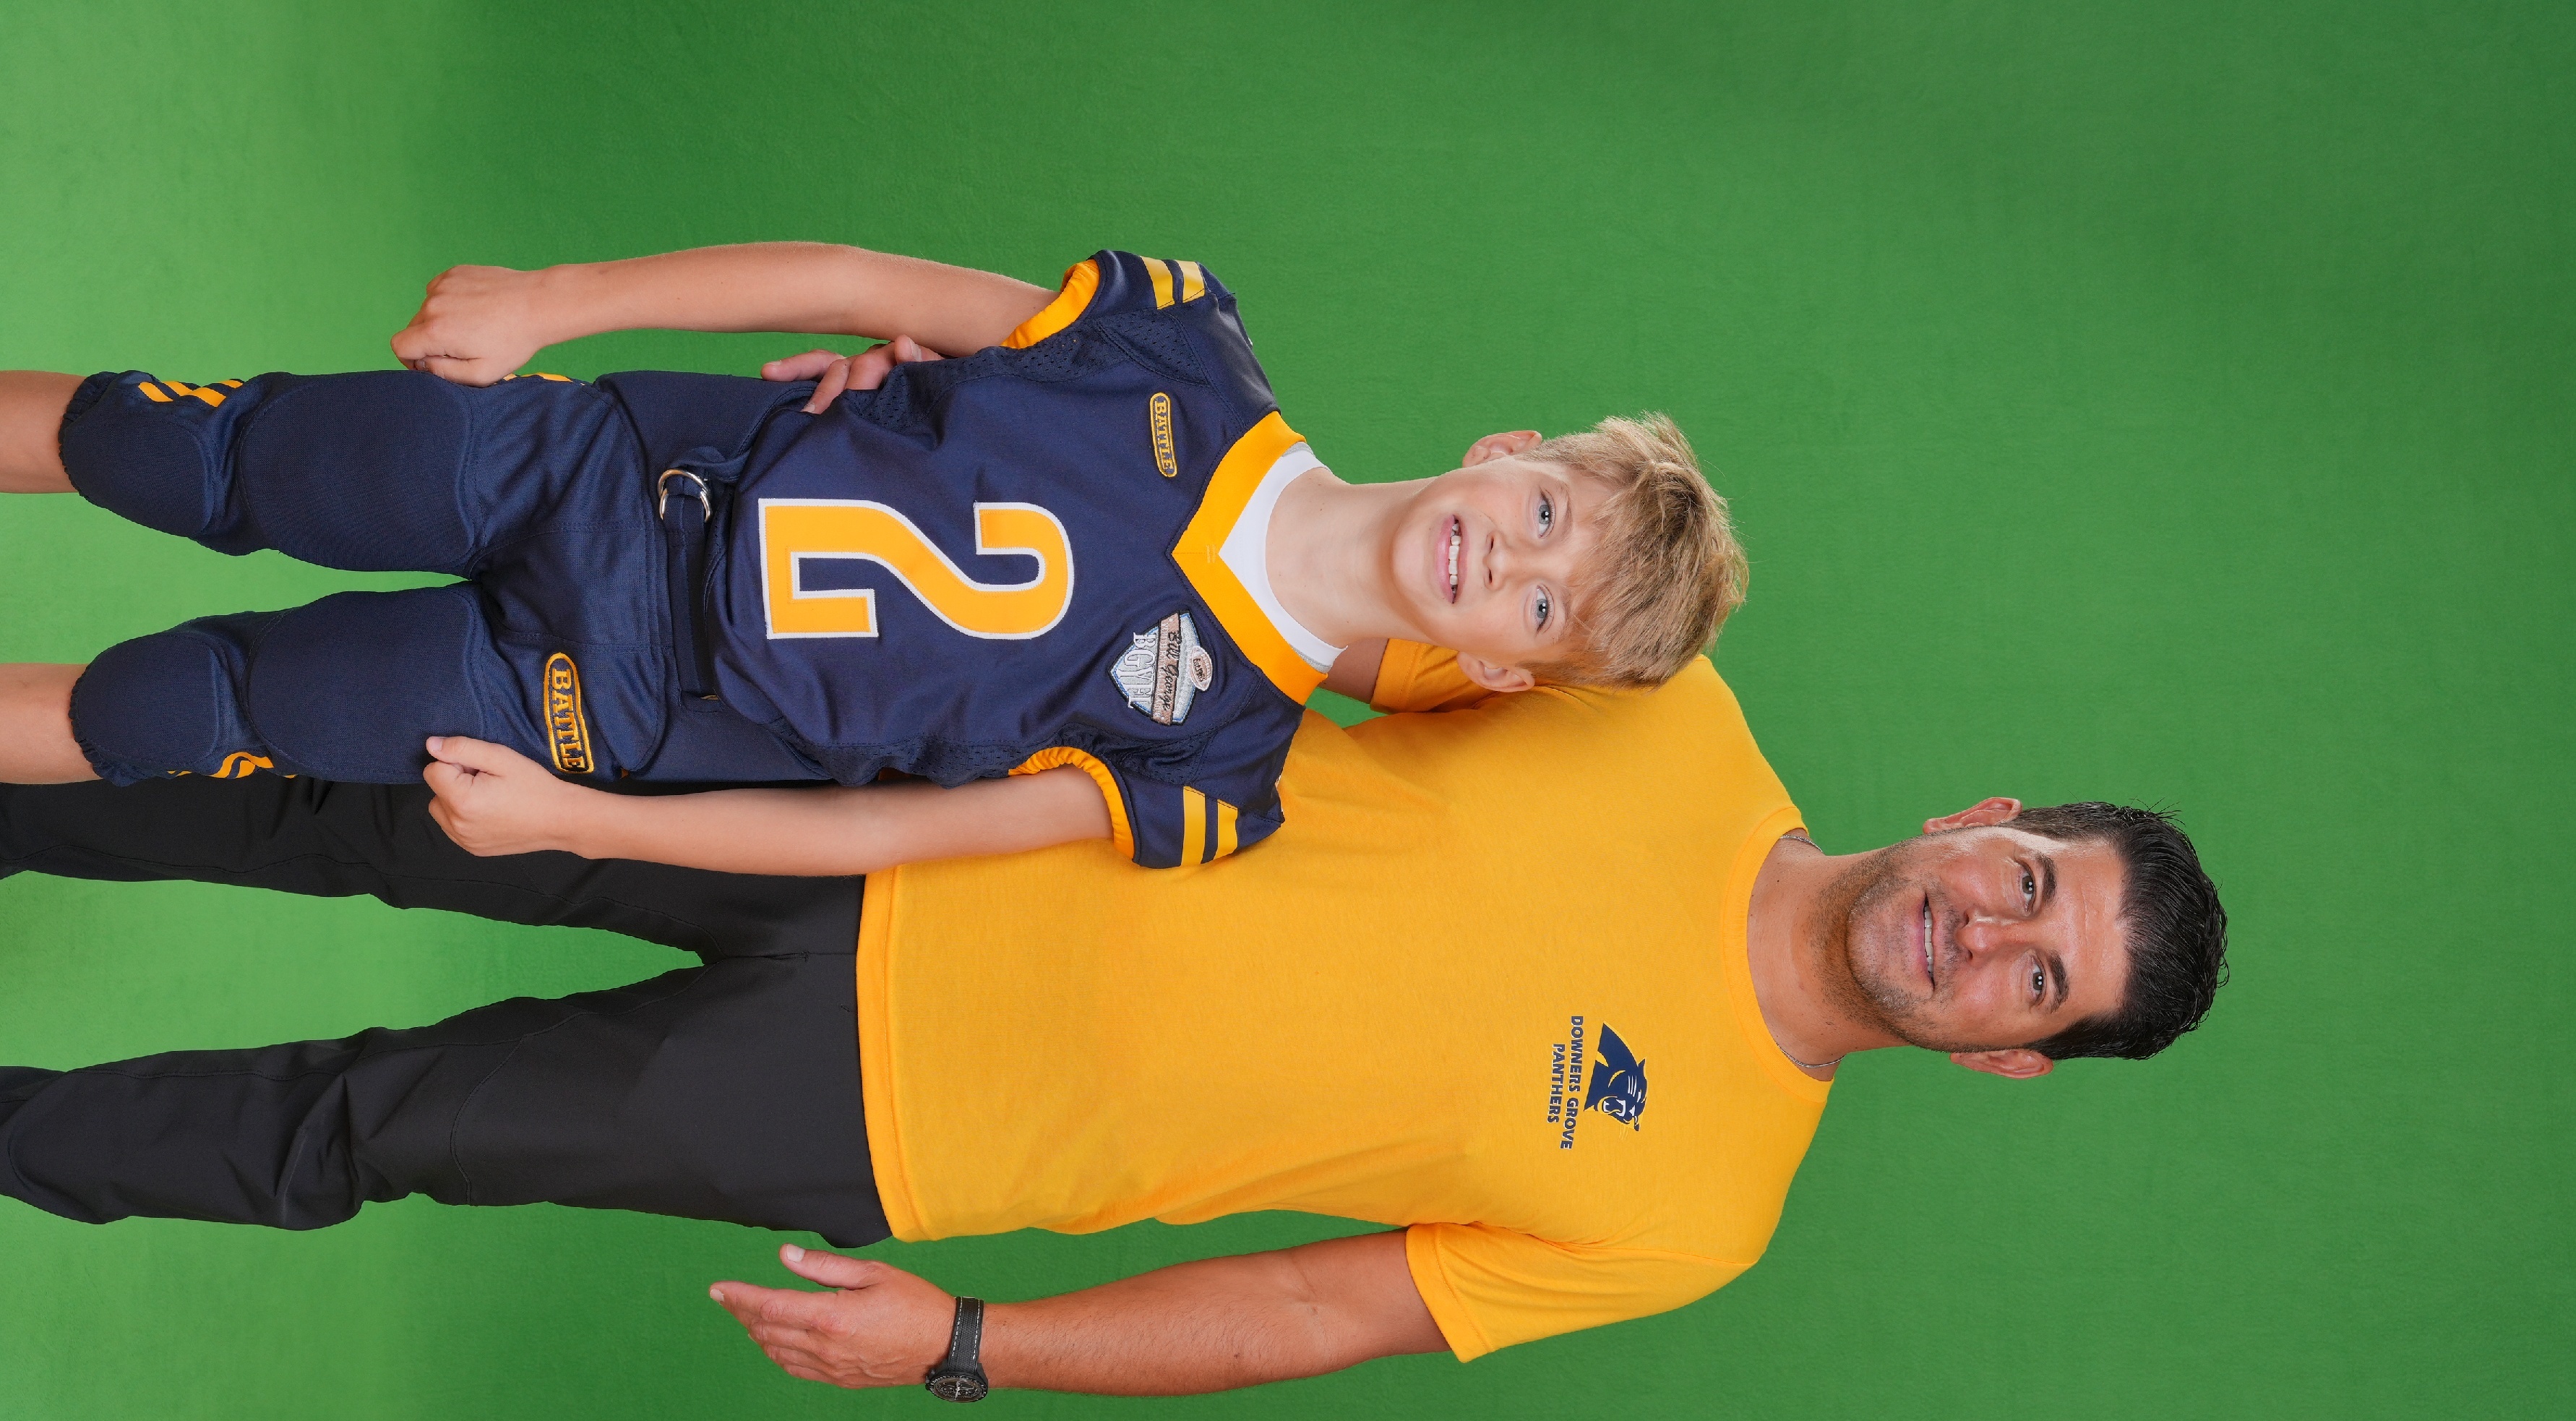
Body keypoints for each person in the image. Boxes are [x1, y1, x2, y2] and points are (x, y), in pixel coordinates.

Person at [0, 648, 2227, 1398]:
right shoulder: (1659, 702)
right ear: (1985, 816)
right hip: (893, 806)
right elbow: (1279, 596)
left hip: (883, 1117)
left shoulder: (1700, 1213)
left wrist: (971, 1342)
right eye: (2029, 880)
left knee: (378, 1123)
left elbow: (1313, 1307)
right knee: (351, 797)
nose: (1986, 934)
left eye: (2037, 980)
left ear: (2005, 1058)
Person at [0, 242, 1746, 878]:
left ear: (1500, 667)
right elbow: (863, 289)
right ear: (1509, 451)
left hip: (597, 709)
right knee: (172, 447)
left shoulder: (1217, 767)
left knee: (174, 712)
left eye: (1541, 608)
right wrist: (558, 302)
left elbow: (884, 835)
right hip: (601, 470)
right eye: (1545, 515)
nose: (1505, 562)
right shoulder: (1178, 348)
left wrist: (588, 826)